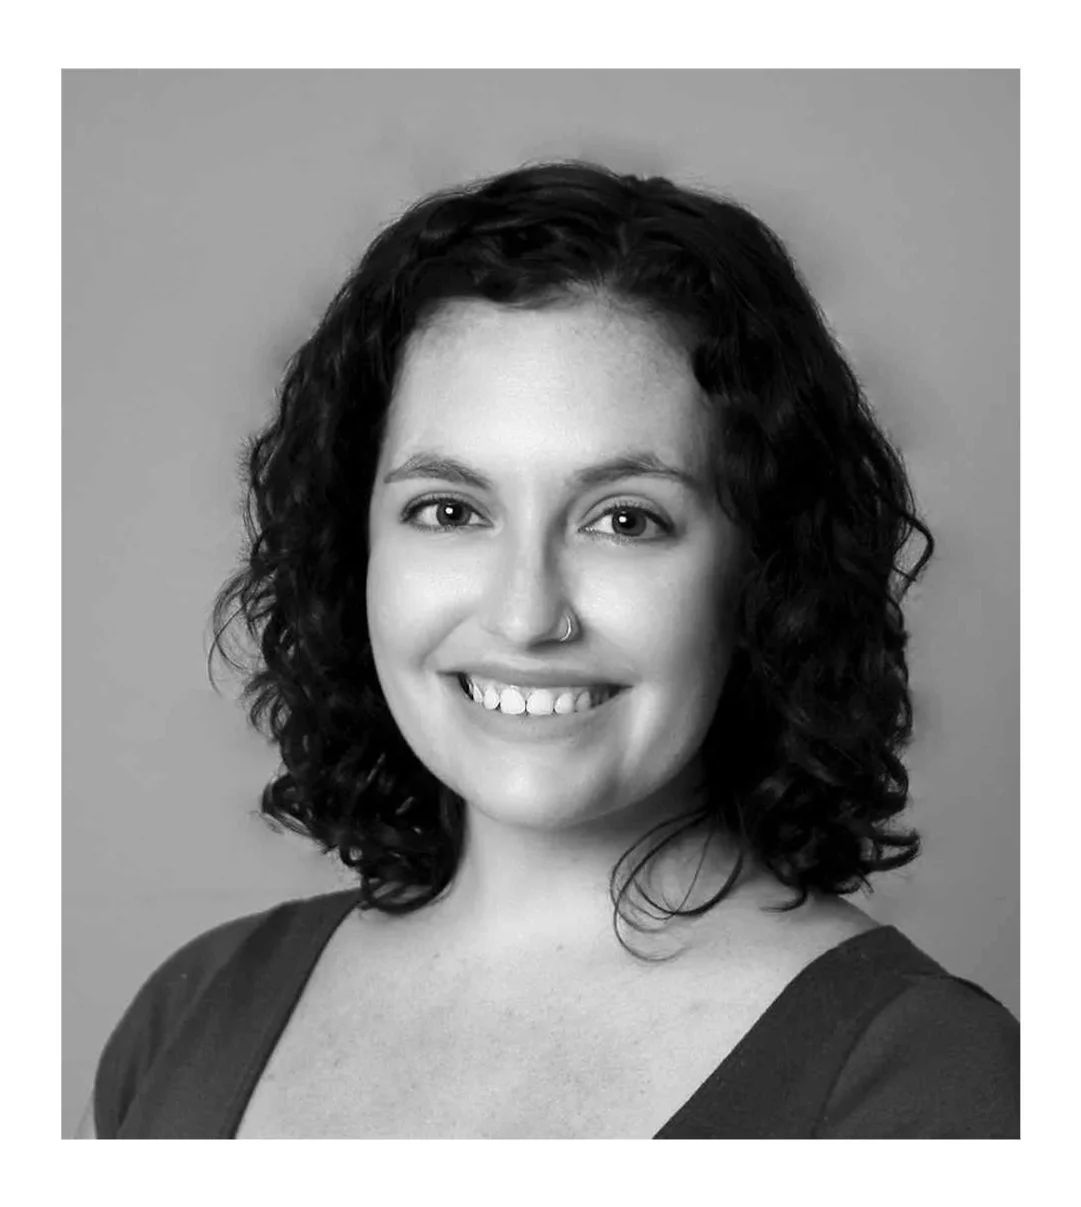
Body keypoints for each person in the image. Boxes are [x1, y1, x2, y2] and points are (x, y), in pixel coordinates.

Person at [78, 160, 1019, 1139]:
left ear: (761, 572)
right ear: (354, 545)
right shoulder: (186, 1015)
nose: (527, 615)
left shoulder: (927, 1084)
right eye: (448, 509)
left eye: (624, 519)